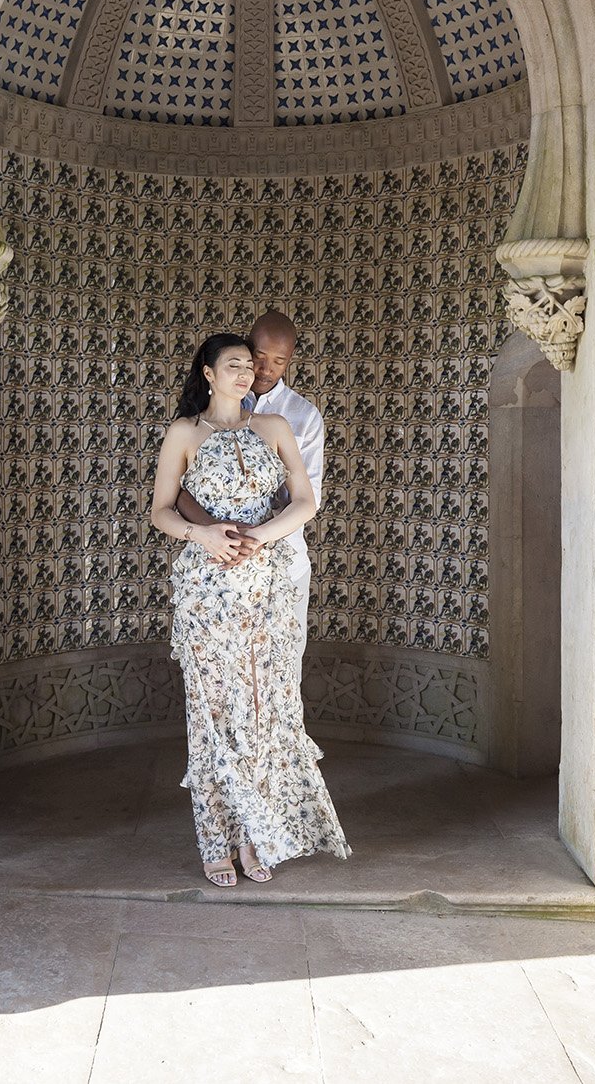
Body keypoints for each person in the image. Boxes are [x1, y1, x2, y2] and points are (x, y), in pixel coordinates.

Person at [150, 332, 349, 887]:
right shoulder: (184, 433)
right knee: (215, 716)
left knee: (265, 711)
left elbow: (307, 503)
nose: (245, 374)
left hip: (269, 590)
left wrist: (261, 538)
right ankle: (216, 841)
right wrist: (202, 534)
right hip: (207, 593)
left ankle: (256, 833)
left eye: (250, 366)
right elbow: (160, 510)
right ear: (208, 374)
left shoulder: (275, 427)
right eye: (233, 365)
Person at [176, 311, 325, 658]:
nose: (265, 369)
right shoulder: (205, 408)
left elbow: (309, 497)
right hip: (216, 557)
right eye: (258, 357)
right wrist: (219, 533)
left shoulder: (300, 416)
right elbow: (177, 491)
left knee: (280, 668)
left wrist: (256, 536)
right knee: (220, 670)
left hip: (283, 561)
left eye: (279, 361)